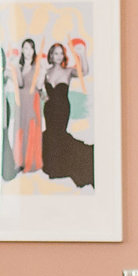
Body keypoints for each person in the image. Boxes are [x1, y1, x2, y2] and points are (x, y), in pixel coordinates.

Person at [38, 41, 95, 189]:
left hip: (62, 109)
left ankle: (63, 165)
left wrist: (82, 53)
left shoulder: (68, 71)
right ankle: (53, 166)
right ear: (51, 55)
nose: (58, 56)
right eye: (55, 53)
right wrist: (43, 95)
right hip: (49, 109)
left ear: (64, 56)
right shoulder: (46, 72)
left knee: (59, 134)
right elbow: (40, 91)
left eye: (61, 53)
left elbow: (84, 71)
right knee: (51, 134)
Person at [7, 37, 41, 180]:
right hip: (21, 102)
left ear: (34, 50)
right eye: (25, 48)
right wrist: (15, 68)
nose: (28, 51)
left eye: (31, 48)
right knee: (20, 129)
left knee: (31, 129)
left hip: (32, 102)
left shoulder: (38, 67)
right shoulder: (18, 67)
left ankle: (30, 162)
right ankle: (19, 161)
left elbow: (39, 87)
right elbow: (20, 84)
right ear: (22, 50)